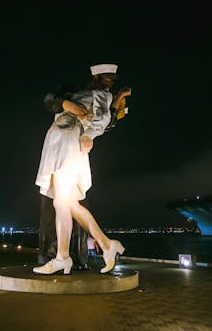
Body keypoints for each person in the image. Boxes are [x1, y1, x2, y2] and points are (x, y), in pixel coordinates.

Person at [34, 63, 131, 274]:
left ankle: (63, 258)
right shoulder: (85, 93)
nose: (109, 84)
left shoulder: (99, 95)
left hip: (67, 138)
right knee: (66, 204)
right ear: (97, 78)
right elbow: (53, 100)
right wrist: (69, 106)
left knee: (63, 203)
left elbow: (103, 119)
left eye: (112, 81)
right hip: (61, 138)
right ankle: (105, 245)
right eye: (107, 79)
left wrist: (89, 135)